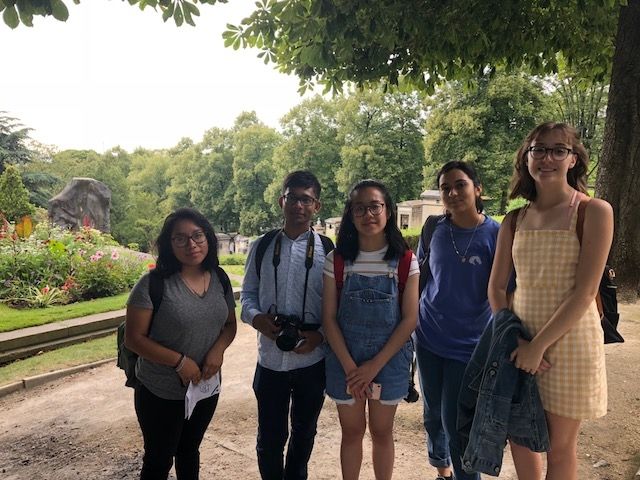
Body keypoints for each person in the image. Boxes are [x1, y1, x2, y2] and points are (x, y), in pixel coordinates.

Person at [488, 122, 613, 479]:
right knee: (520, 440)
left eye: (559, 150)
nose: (548, 158)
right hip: (518, 340)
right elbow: (497, 289)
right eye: (538, 150)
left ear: (573, 159)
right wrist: (516, 340)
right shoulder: (513, 220)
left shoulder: (595, 211)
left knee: (559, 450)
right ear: (526, 158)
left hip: (569, 345)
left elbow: (585, 292)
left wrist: (538, 347)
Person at [124, 207, 237, 480]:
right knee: (158, 460)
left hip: (205, 388)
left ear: (208, 238)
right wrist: (179, 362)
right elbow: (134, 339)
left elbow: (230, 325)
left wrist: (218, 350)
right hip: (160, 391)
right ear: (169, 244)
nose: (191, 244)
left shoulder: (219, 278)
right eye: (180, 238)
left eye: (197, 235)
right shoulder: (153, 284)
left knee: (189, 451)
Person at [322, 179, 419, 480]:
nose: (368, 214)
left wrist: (373, 366)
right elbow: (328, 319)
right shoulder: (337, 260)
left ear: (387, 210)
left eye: (375, 206)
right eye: (359, 208)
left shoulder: (405, 260)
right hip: (344, 360)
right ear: (351, 214)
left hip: (389, 361)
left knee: (381, 432)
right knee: (351, 433)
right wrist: (353, 369)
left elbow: (409, 319)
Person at [241, 170, 330, 480]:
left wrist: (319, 336)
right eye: (293, 198)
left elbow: (337, 309)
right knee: (270, 438)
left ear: (316, 206)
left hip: (312, 360)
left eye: (306, 200)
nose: (298, 206)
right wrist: (258, 319)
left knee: (304, 435)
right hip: (270, 359)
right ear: (282, 200)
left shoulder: (328, 251)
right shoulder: (262, 246)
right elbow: (247, 297)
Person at [414, 161, 500, 480]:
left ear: (477, 189)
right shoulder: (433, 228)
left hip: (470, 347)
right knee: (432, 416)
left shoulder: (497, 234)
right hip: (428, 338)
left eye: (460, 184)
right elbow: (423, 278)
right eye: (445, 187)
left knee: (456, 422)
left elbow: (505, 290)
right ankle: (442, 470)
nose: (452, 192)